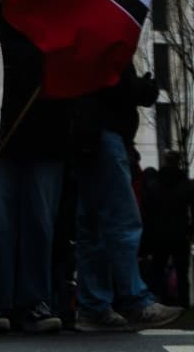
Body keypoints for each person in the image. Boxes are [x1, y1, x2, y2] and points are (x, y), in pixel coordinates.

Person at [0, 0, 65, 335]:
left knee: (38, 227)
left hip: (45, 145)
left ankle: (33, 302)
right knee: (0, 226)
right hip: (0, 144)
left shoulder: (52, 31)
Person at [73, 62, 182, 331]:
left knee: (93, 228)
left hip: (87, 134)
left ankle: (94, 306)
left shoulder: (86, 31)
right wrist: (143, 88)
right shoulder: (108, 37)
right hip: (105, 134)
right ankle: (135, 300)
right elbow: (116, 82)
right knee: (122, 220)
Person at [140, 151, 194, 308]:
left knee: (158, 270)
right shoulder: (186, 185)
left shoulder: (155, 184)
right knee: (182, 272)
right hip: (180, 232)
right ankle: (183, 303)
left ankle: (161, 301)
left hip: (159, 233)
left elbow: (148, 208)